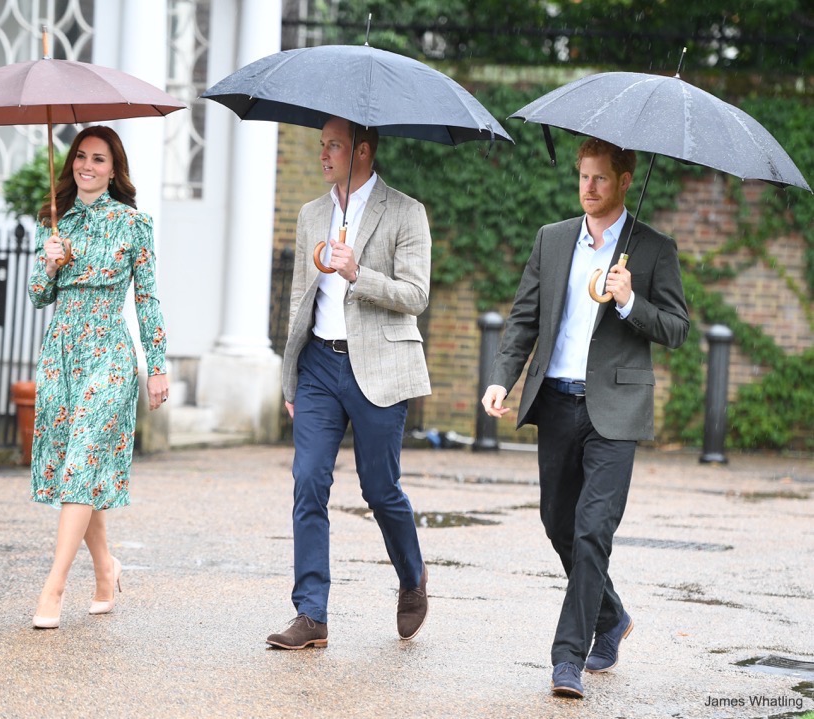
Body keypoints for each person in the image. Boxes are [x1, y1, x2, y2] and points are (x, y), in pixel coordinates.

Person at [481, 137, 689, 698]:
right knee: (558, 522)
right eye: (583, 177)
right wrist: (502, 376)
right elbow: (524, 317)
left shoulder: (652, 249)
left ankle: (566, 659)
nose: (589, 188)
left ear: (625, 181)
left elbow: (676, 328)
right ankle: (612, 616)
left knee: (594, 529)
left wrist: (629, 302)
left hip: (616, 410)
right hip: (555, 400)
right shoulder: (552, 240)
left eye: (600, 178)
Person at [266, 116, 431, 650]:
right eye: (321, 145)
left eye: (333, 145)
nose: (323, 154)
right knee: (308, 481)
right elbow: (299, 299)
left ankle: (412, 578)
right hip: (318, 365)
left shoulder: (406, 211)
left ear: (362, 150)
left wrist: (359, 272)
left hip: (377, 368)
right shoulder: (312, 213)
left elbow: (416, 295)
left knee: (380, 490)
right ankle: (311, 613)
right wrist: (290, 377)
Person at [27, 125, 169, 629]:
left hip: (108, 353)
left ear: (114, 169)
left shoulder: (134, 224)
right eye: (82, 157)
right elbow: (38, 296)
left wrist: (157, 366)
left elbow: (147, 298)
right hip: (61, 355)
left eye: (99, 159)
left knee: (82, 461)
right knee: (80, 471)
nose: (88, 166)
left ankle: (54, 587)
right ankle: (106, 570)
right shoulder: (57, 222)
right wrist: (49, 263)